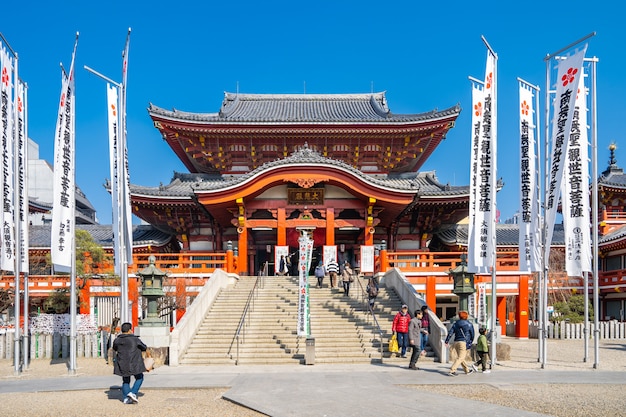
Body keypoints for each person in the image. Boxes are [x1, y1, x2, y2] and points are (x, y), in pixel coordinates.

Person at [113, 322, 148, 404]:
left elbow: (115, 348)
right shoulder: (135, 339)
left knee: (126, 380)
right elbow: (144, 347)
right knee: (139, 377)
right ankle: (133, 393)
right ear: (129, 330)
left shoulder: (117, 340)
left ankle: (126, 398)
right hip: (134, 362)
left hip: (122, 362)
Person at [444, 310, 475, 376]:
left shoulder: (456, 324)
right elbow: (472, 334)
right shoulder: (469, 324)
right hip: (463, 342)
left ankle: (467, 370)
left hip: (456, 342)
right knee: (460, 358)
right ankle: (452, 370)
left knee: (461, 357)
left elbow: (450, 332)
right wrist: (470, 342)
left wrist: (447, 341)